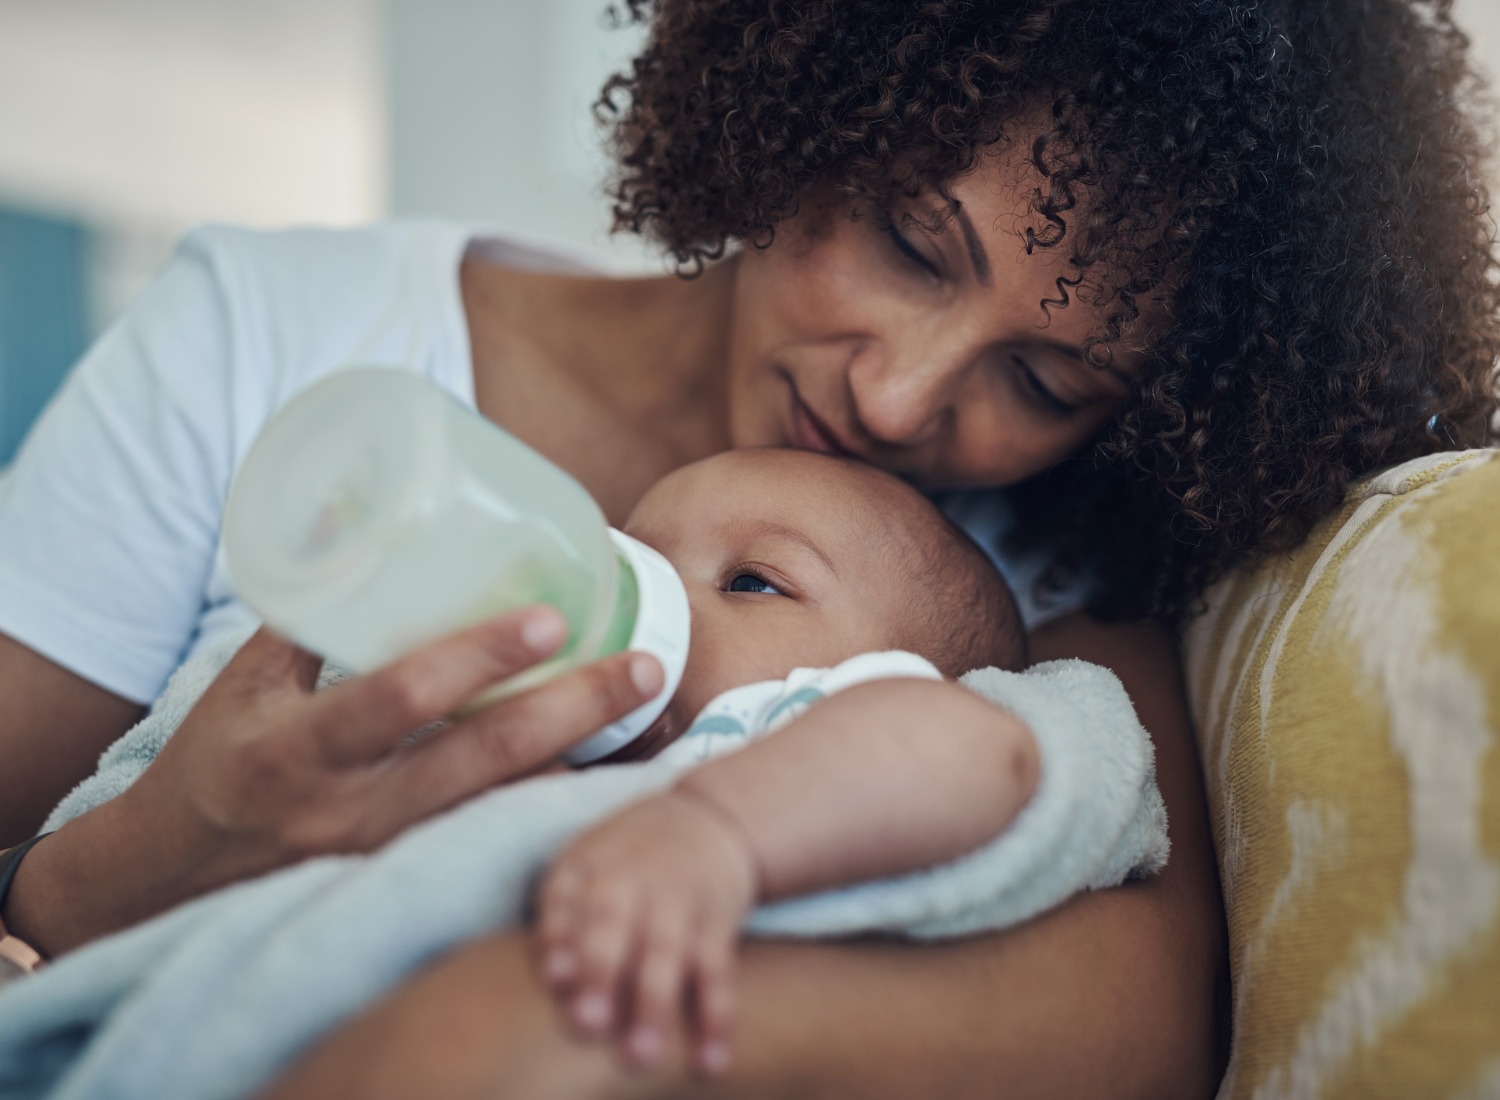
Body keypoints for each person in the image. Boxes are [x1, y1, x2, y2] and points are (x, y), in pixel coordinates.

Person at [0, 0, 1495, 1095]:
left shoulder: (1044, 579)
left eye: (1044, 384)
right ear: (808, 85)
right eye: (915, 242)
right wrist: (103, 883)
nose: (901, 396)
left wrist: (532, 1025)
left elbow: (1139, 1028)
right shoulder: (276, 337)